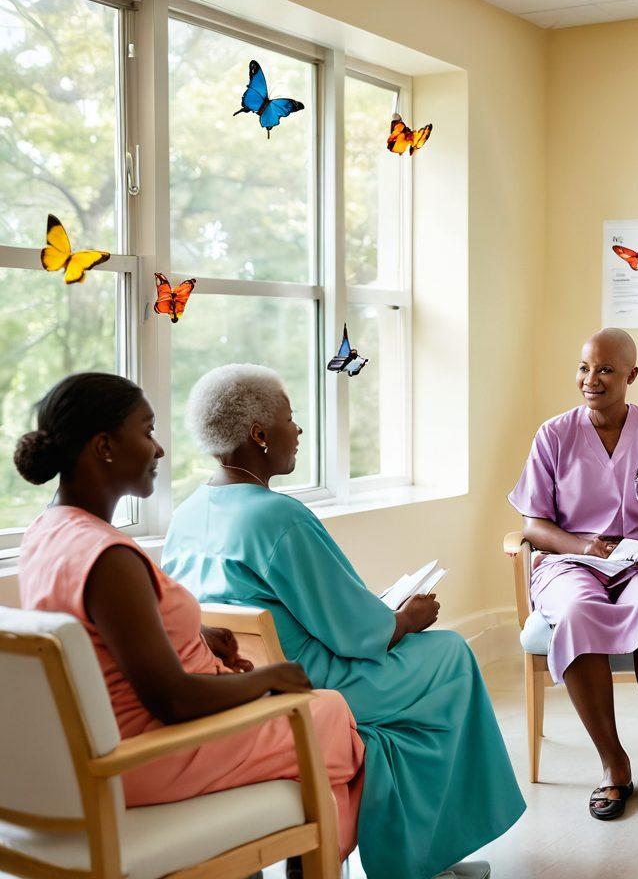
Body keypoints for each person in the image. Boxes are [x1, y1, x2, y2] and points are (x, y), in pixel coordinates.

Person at [162, 364, 524, 879]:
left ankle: (410, 849)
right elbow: (357, 633)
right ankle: (421, 860)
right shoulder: (278, 517)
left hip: (245, 684)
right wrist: (407, 618)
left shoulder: (186, 514)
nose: (298, 430)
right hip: (316, 683)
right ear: (259, 434)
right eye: (290, 418)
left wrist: (380, 619)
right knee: (450, 657)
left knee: (398, 727)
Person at [15, 373, 365, 862]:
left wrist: (195, 634)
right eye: (146, 431)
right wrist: (270, 679)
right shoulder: (110, 558)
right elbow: (174, 699)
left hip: (100, 747)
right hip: (153, 753)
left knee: (320, 719)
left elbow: (98, 634)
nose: (159, 449)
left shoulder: (48, 532)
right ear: (105, 447)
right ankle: (308, 857)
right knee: (329, 713)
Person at [509, 328, 638, 820]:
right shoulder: (554, 435)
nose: (590, 379)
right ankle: (613, 763)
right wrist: (584, 547)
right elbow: (534, 524)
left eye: (604, 370)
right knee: (578, 611)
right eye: (584, 367)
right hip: (571, 560)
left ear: (631, 375)